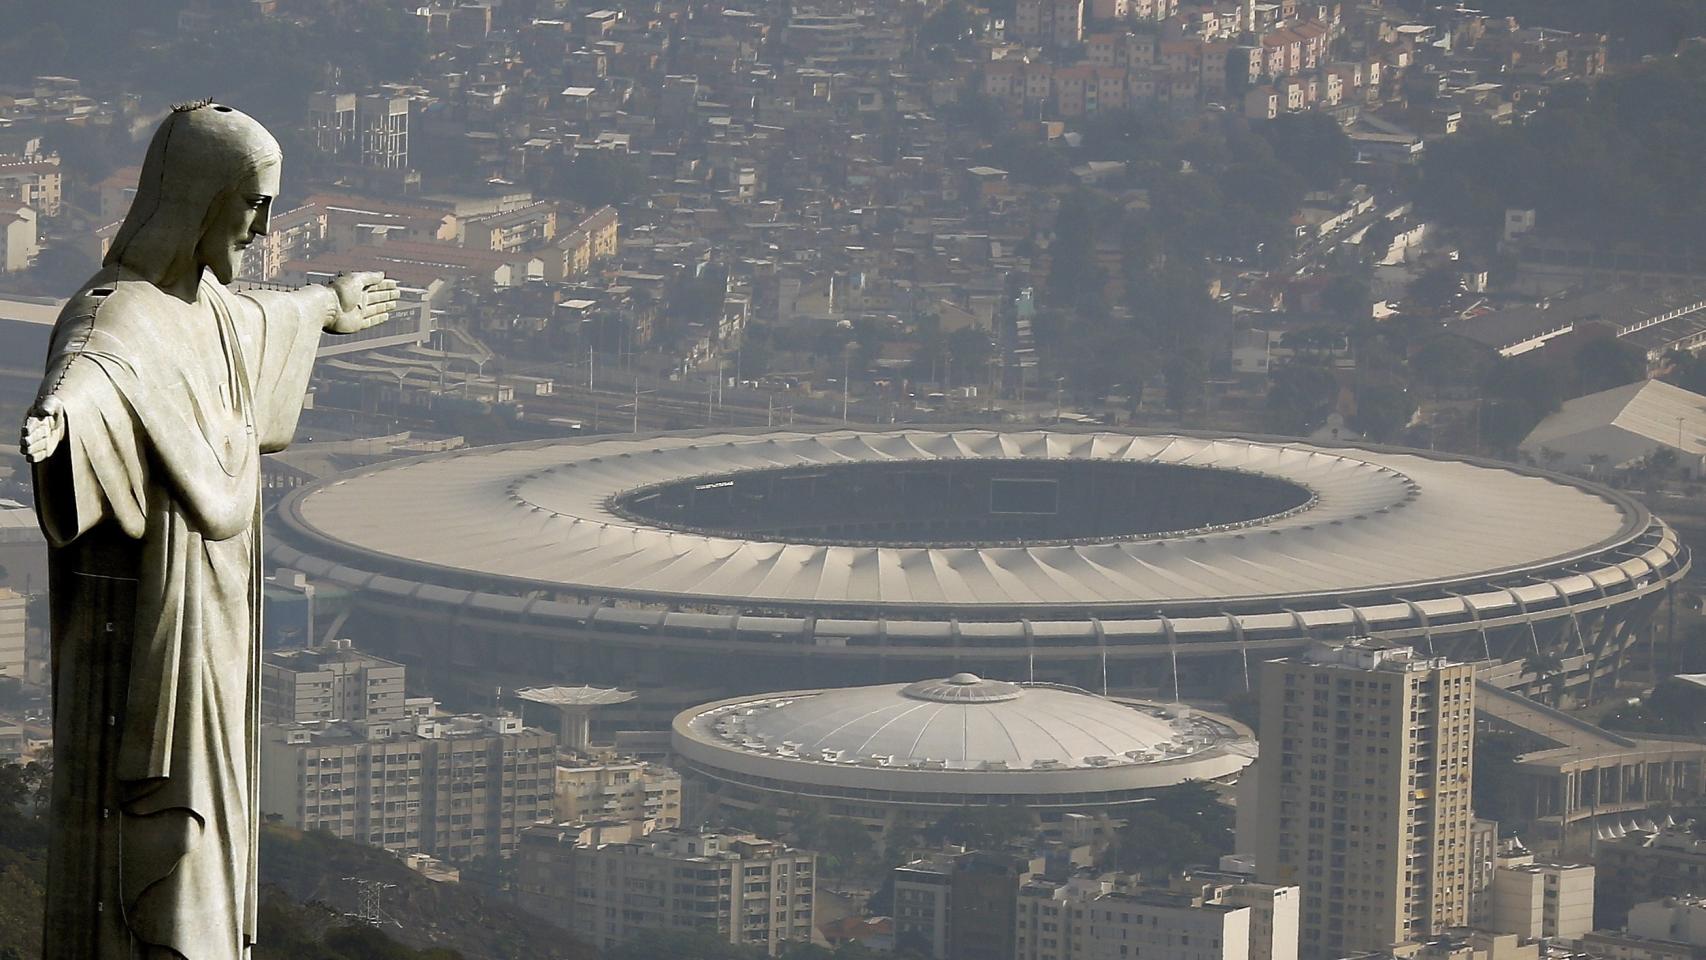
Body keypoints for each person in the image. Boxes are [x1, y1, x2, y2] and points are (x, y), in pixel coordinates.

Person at [16, 101, 398, 959]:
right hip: (156, 625)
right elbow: (91, 372)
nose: (262, 228)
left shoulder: (213, 309)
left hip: (219, 625)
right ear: (198, 198)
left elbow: (266, 320)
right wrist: (59, 422)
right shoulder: (119, 314)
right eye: (252, 203)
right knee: (166, 828)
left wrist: (327, 305)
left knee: (216, 824)